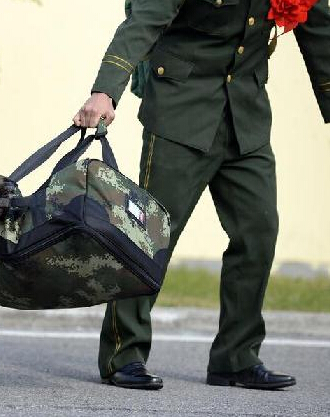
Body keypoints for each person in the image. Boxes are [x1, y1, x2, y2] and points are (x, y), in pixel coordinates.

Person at [74, 0, 329, 390]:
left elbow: (320, 30)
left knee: (258, 233)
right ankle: (123, 355)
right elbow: (142, 22)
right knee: (150, 237)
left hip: (246, 116)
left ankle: (236, 358)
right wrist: (105, 91)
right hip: (181, 112)